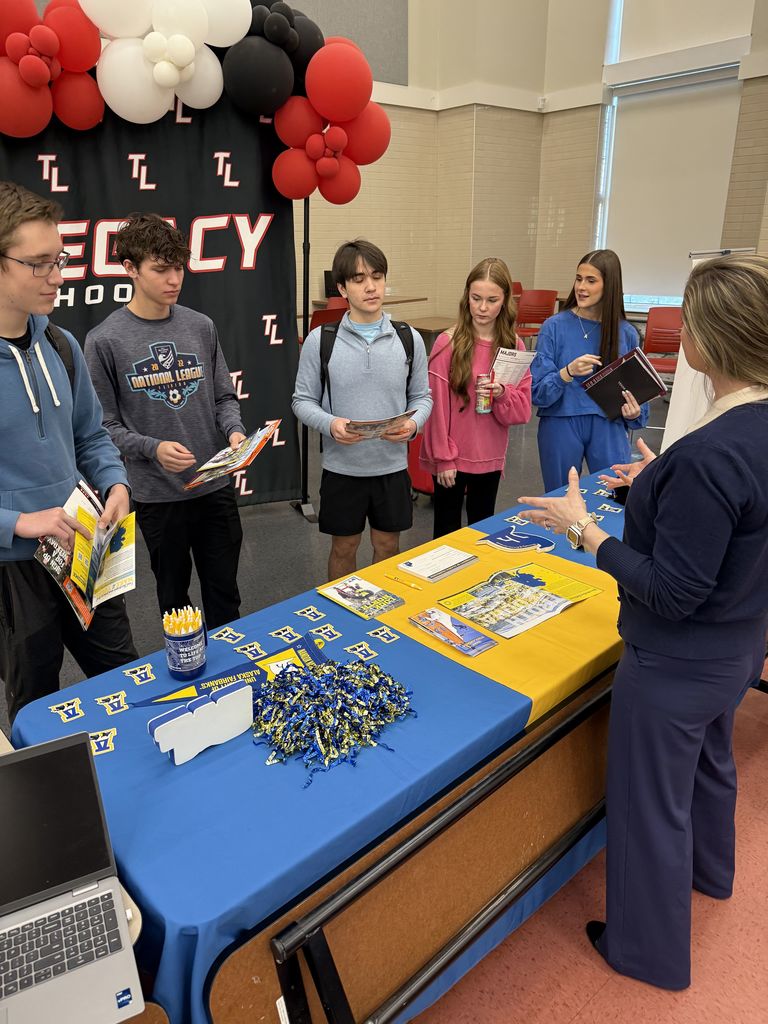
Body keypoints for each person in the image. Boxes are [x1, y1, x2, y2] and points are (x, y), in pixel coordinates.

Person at [517, 253, 768, 991]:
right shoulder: (741, 433)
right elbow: (732, 523)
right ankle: (711, 873)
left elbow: (671, 590)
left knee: (648, 806)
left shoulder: (712, 455)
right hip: (736, 651)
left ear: (710, 339)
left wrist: (586, 533)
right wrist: (660, 477)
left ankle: (644, 951)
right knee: (712, 766)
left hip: (676, 664)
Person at [0, 181, 137, 722]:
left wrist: (117, 482)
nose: (56, 277)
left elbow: (91, 436)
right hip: (13, 570)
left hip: (83, 550)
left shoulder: (61, 344)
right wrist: (17, 521)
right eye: (38, 264)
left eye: (58, 260)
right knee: (38, 711)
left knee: (127, 680)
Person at [85, 213, 246, 629]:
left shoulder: (201, 326)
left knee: (225, 594)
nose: (174, 279)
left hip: (214, 487)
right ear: (130, 269)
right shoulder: (105, 340)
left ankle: (234, 675)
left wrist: (235, 431)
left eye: (178, 267)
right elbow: (103, 428)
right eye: (160, 269)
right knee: (175, 603)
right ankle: (188, 677)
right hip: (158, 497)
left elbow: (224, 396)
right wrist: (152, 448)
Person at [292, 239, 432, 580]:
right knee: (344, 547)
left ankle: (383, 614)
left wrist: (413, 426)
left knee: (387, 546)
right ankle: (343, 617)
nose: (370, 286)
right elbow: (301, 401)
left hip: (391, 467)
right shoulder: (320, 340)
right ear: (342, 287)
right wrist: (331, 424)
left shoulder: (408, 338)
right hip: (343, 469)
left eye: (377, 276)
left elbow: (423, 398)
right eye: (358, 279)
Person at [419, 257, 532, 537]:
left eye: (492, 300)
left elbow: (521, 413)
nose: (482, 308)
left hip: (490, 456)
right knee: (446, 537)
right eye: (476, 298)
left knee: (482, 534)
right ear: (466, 297)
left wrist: (503, 394)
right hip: (452, 458)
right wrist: (443, 459)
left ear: (505, 301)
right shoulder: (449, 343)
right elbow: (437, 409)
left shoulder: (513, 346)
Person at [530, 249, 648, 491]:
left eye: (591, 280)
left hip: (609, 424)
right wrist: (567, 373)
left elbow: (640, 406)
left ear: (610, 285)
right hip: (560, 421)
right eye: (578, 278)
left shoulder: (625, 333)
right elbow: (538, 393)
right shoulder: (553, 327)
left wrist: (634, 412)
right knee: (559, 498)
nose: (581, 287)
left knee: (616, 494)